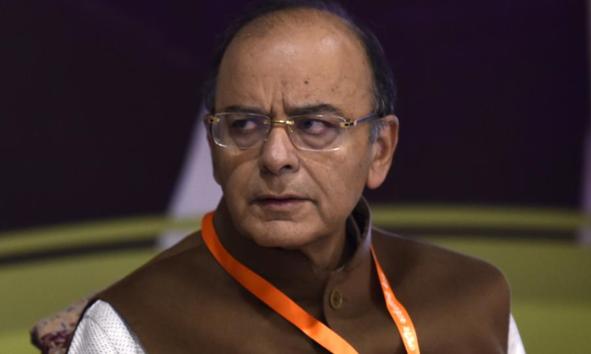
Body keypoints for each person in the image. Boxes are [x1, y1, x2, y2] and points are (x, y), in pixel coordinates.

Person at [67, 1, 526, 353]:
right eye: (244, 124)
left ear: (379, 150)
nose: (275, 157)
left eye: (314, 126)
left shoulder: (472, 301)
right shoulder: (131, 327)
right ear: (213, 147)